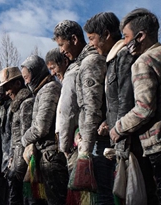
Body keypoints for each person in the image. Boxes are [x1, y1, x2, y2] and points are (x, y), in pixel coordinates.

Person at [84, 11, 158, 204]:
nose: (90, 44)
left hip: (148, 142)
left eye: (92, 38)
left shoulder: (134, 59)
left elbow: (136, 104)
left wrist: (117, 131)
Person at [109, 8, 161, 204]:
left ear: (140, 36)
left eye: (126, 37)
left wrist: (118, 128)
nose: (123, 43)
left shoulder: (143, 62)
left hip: (156, 145)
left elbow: (144, 108)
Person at [53, 19, 108, 204]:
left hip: (93, 143)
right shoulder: (81, 63)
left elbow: (90, 107)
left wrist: (84, 150)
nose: (61, 50)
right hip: (89, 140)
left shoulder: (89, 62)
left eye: (62, 44)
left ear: (74, 39)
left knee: (99, 197)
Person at [20, 55, 68, 204]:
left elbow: (41, 127)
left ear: (36, 73)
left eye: (27, 77)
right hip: (46, 155)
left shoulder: (50, 89)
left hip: (51, 155)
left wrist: (24, 140)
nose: (26, 82)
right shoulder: (42, 91)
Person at [0, 66, 34, 205]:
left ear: (18, 84)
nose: (6, 93)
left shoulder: (26, 104)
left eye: (8, 88)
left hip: (24, 165)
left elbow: (25, 138)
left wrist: (18, 167)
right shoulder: (14, 108)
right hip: (15, 163)